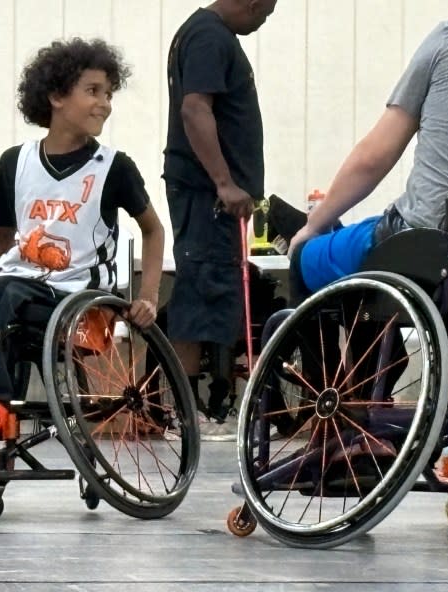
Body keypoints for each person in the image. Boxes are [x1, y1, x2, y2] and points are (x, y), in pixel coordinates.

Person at [0, 37, 165, 450]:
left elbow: (154, 230)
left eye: (108, 93)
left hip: (81, 303)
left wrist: (150, 296)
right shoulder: (15, 162)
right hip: (20, 290)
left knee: (4, 289)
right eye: (92, 91)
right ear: (55, 96)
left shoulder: (114, 167)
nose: (104, 103)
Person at [288, 11, 448, 298]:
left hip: (430, 241)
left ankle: (355, 342)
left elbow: (373, 158)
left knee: (306, 257)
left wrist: (314, 224)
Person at [163, 0, 277, 431]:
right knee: (200, 291)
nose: (261, 23)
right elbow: (194, 109)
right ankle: (187, 411)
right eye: (262, 15)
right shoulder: (210, 37)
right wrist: (224, 182)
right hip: (206, 194)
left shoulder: (205, 34)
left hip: (214, 197)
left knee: (214, 292)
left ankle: (202, 403)